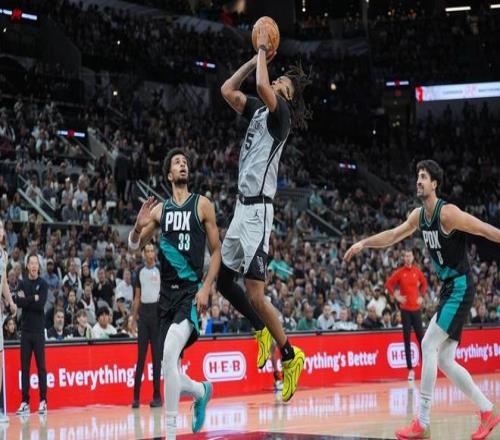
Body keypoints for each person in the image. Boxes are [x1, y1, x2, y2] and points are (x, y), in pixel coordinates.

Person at [345, 160, 500, 440]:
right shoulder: (418, 216)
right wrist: (363, 243)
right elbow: (393, 235)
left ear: (435, 184)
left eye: (424, 177)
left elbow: (484, 230)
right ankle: (487, 410)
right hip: (448, 288)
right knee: (445, 360)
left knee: (428, 345)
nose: (418, 181)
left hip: (460, 287)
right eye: (418, 176)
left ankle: (423, 422)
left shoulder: (448, 214)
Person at [218, 25, 311, 402]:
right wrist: (253, 57)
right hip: (241, 208)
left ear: (288, 95)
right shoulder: (258, 109)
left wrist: (261, 49)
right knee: (224, 282)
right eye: (278, 78)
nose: (277, 81)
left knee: (256, 295)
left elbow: (260, 84)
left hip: (258, 212)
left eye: (283, 82)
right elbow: (227, 90)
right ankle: (259, 328)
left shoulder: (280, 115)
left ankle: (290, 355)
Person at [128, 148, 221, 439]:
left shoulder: (202, 205)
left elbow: (216, 252)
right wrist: (137, 227)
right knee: (169, 367)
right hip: (165, 299)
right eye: (177, 162)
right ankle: (201, 390)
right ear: (169, 174)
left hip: (190, 296)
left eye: (185, 162)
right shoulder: (160, 211)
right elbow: (134, 246)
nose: (183, 165)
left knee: (168, 353)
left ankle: (170, 434)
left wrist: (206, 287)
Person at [385, 249, 427, 381]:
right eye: (406, 256)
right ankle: (410, 370)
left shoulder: (417, 271)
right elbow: (388, 284)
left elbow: (424, 283)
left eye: (410, 256)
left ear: (413, 257)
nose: (408, 258)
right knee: (407, 339)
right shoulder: (400, 272)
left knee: (422, 339)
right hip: (405, 310)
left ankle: (425, 367)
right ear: (404, 258)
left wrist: (422, 296)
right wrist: (396, 296)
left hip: (416, 309)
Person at [15, 254, 48, 415]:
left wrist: (28, 300)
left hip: (39, 331)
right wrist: (32, 298)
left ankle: (43, 401)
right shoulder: (22, 283)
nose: (34, 266)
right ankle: (25, 402)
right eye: (31, 263)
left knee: (41, 367)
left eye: (36, 263)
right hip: (26, 332)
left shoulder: (43, 284)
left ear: (38, 266)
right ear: (27, 266)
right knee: (25, 368)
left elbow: (40, 304)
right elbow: (18, 303)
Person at [131, 243, 162, 409]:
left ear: (154, 253)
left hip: (156, 316)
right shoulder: (139, 272)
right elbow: (137, 297)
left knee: (156, 358)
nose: (150, 254)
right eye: (147, 251)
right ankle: (136, 397)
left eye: (152, 251)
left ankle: (157, 396)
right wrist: (132, 318)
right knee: (141, 357)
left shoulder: (160, 270)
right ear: (144, 254)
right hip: (143, 316)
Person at [0, 221, 17, 423]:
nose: (0, 231)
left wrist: (11, 302)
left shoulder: (4, 255)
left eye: (1, 228)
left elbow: (3, 282)